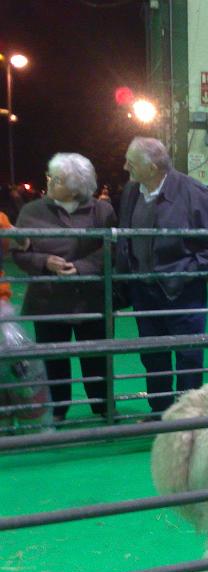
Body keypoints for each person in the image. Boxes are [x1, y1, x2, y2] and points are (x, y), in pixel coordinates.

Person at [116, 137, 208, 419]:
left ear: (152, 166)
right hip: (144, 291)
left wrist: (185, 272)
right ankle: (160, 411)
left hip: (183, 292)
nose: (124, 166)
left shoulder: (193, 192)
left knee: (188, 354)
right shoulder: (131, 191)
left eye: (131, 161)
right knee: (152, 355)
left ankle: (189, 414)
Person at [11, 153, 116, 421]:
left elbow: (112, 249)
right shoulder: (30, 211)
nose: (48, 182)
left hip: (91, 300)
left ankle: (103, 406)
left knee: (96, 358)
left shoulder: (102, 211)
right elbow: (20, 253)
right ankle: (57, 410)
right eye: (50, 176)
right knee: (53, 358)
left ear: (76, 186)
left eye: (56, 179)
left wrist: (81, 267)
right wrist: (45, 261)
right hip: (48, 301)